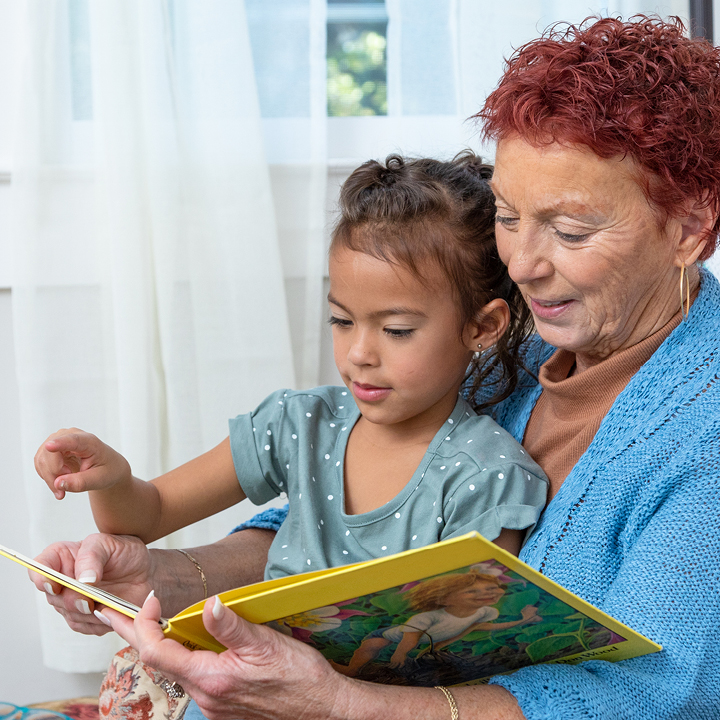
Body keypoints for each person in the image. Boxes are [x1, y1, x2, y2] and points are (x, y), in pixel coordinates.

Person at [29, 14, 720, 720]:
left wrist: (340, 703)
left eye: (571, 231)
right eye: (508, 217)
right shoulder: (506, 338)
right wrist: (165, 575)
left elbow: (662, 696)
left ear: (691, 227)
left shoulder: (704, 437)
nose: (522, 265)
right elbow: (338, 524)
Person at [34, 154, 548, 582]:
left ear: (482, 327)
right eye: (342, 320)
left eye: (396, 331)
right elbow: (147, 516)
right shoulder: (299, 424)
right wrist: (112, 481)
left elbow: (460, 641)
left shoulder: (487, 478)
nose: (359, 354)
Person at [331, 569, 539, 677]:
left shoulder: (485, 612)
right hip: (393, 635)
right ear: (445, 599)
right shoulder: (428, 617)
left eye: (491, 589)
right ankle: (352, 668)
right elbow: (409, 638)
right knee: (372, 645)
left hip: (430, 639)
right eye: (472, 591)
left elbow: (474, 628)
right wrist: (400, 653)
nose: (486, 594)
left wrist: (523, 620)